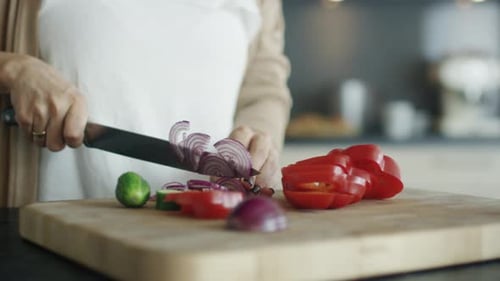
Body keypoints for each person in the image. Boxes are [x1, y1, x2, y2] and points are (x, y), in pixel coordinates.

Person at [0, 0, 292, 206]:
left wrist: (256, 143)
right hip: (50, 238)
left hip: (204, 239)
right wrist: (13, 69)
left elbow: (264, 86)